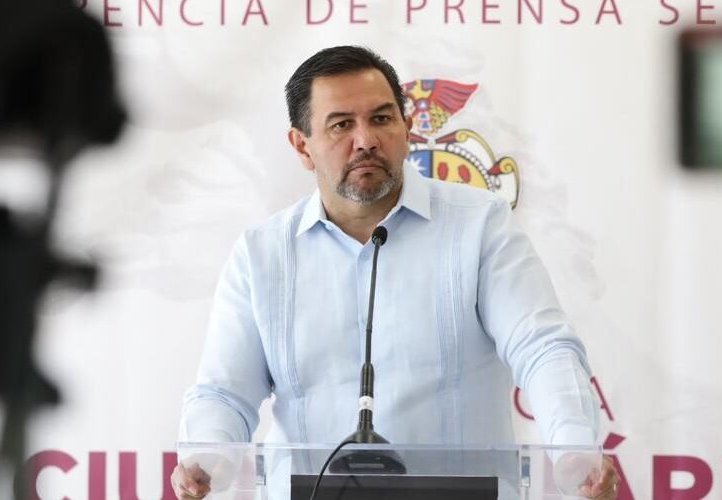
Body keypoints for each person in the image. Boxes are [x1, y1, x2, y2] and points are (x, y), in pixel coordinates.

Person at [172, 45, 618, 500]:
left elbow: (541, 348)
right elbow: (225, 392)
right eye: (341, 125)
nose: (365, 139)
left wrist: (573, 448)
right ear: (302, 146)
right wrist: (206, 458)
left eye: (382, 119)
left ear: (406, 129)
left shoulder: (479, 226)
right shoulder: (262, 254)